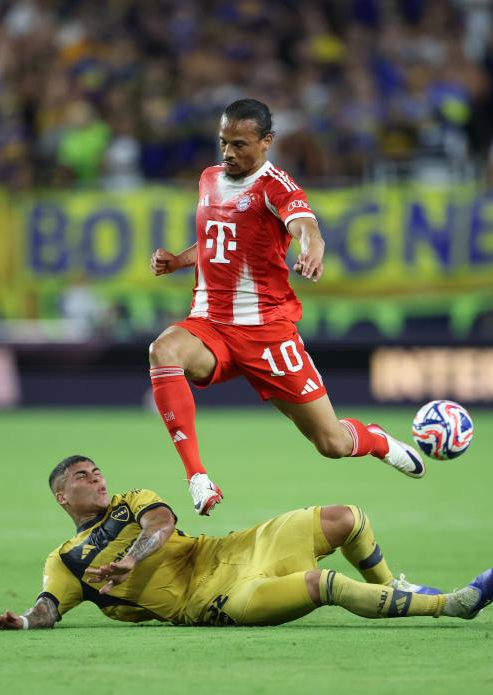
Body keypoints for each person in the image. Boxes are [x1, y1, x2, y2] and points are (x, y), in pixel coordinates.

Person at [148, 98, 422, 516]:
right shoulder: (209, 178)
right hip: (210, 324)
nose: (228, 153)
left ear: (266, 142)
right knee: (163, 350)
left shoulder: (277, 186)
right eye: (223, 142)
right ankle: (197, 477)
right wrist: (179, 261)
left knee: (331, 443)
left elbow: (307, 227)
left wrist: (313, 249)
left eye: (239, 144)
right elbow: (217, 239)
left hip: (267, 333)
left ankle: (376, 440)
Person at [0, 455, 493, 630]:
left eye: (96, 472)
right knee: (326, 584)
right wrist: (23, 622)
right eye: (82, 478)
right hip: (210, 601)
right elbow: (47, 608)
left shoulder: (132, 500)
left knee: (347, 519)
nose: (96, 479)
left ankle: (394, 586)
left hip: (228, 550)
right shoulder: (66, 560)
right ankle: (451, 605)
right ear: (62, 497)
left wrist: (130, 560)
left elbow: (161, 524)